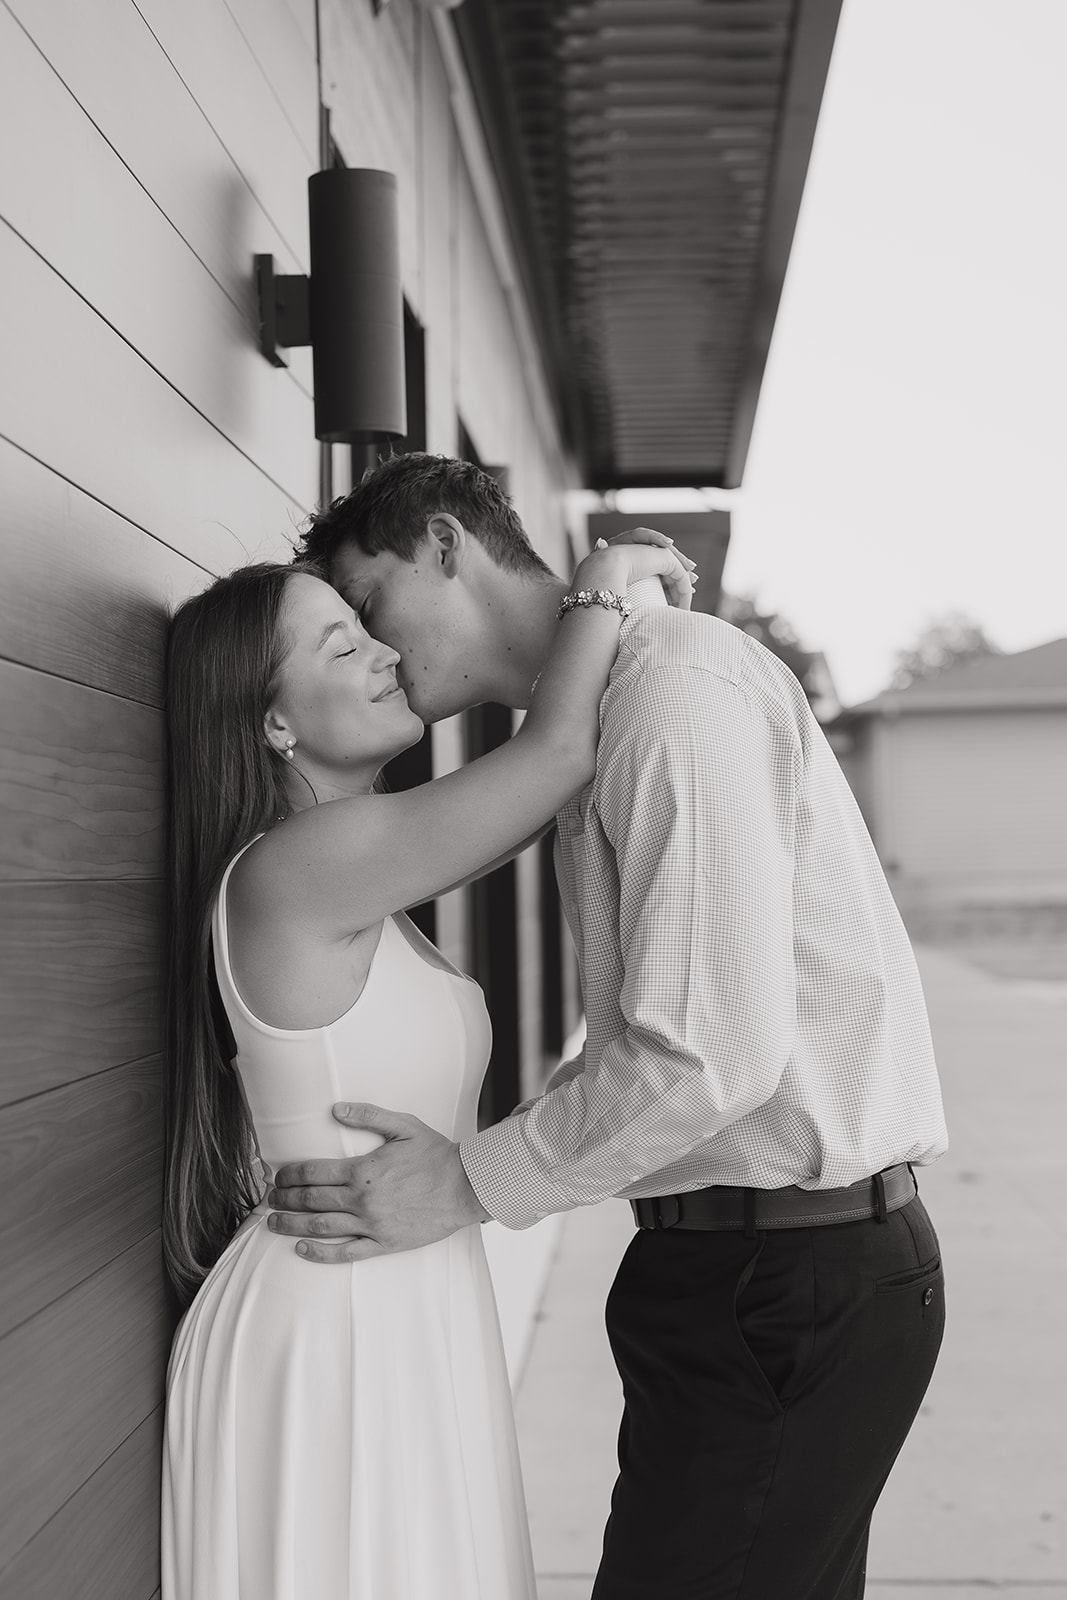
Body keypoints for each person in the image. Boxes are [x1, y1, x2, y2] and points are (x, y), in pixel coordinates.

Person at [269, 451, 949, 1600]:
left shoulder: (669, 692)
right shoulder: (610, 702)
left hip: (783, 1275)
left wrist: (468, 1181)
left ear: (444, 544)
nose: (378, 650)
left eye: (370, 605)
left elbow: (703, 1053)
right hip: (745, 1270)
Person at [159, 533, 692, 1600]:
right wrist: (606, 574)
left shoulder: (361, 870)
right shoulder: (294, 868)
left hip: (396, 1298)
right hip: (334, 1324)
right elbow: (552, 757)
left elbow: (532, 792)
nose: (384, 657)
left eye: (367, 629)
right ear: (271, 719)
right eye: (338, 643)